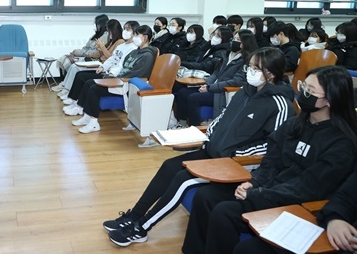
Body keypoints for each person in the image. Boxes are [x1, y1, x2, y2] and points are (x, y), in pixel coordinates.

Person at [103, 47, 296, 247]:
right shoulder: (245, 91)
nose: (250, 71)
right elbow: (223, 116)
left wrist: (235, 153)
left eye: (257, 68)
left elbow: (273, 147)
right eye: (251, 66)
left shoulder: (280, 104)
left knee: (183, 180)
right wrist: (209, 133)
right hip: (213, 152)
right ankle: (134, 215)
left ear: (271, 73)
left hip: (234, 163)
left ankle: (141, 227)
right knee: (169, 166)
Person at [182, 65, 357, 254]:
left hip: (295, 200)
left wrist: (258, 193)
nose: (303, 93)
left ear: (331, 99)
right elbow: (271, 161)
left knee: (225, 213)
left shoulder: (342, 143)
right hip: (269, 188)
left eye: (310, 91)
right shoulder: (294, 124)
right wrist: (255, 182)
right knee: (206, 196)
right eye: (303, 87)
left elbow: (307, 188)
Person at [232, 167, 357, 253]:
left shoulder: (341, 145)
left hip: (288, 197)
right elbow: (346, 197)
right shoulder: (293, 129)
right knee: (249, 249)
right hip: (344, 236)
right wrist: (335, 218)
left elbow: (307, 188)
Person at [65, 25, 158, 134]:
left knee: (94, 89)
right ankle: (87, 116)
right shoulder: (134, 52)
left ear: (146, 37)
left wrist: (116, 79)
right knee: (89, 83)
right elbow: (122, 66)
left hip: (127, 84)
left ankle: (94, 123)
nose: (135, 37)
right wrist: (111, 76)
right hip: (119, 79)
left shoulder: (147, 55)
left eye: (137, 35)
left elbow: (137, 74)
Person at [174, 30, 258, 126]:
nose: (234, 41)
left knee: (193, 98)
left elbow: (236, 81)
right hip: (212, 87)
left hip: (222, 92)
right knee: (182, 92)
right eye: (234, 38)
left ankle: (196, 127)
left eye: (238, 39)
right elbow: (216, 73)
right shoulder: (227, 55)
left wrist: (210, 88)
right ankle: (182, 123)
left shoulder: (247, 61)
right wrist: (207, 84)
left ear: (246, 43)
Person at [61, 21, 138, 105]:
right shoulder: (122, 46)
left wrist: (111, 73)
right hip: (107, 70)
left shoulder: (132, 48)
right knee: (80, 75)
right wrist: (103, 67)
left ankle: (79, 105)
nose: (125, 32)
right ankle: (73, 99)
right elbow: (112, 59)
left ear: (135, 32)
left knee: (87, 82)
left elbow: (121, 64)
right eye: (124, 29)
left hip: (114, 74)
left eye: (128, 29)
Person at [55, 19, 123, 98]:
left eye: (109, 31)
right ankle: (66, 87)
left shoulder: (120, 42)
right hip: (101, 63)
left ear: (114, 30)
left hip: (103, 66)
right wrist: (100, 49)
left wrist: (102, 47)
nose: (108, 33)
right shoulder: (111, 41)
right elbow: (103, 55)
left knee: (77, 70)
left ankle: (69, 90)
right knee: (74, 66)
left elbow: (111, 57)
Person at [54, 14, 109, 81]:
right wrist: (78, 51)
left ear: (101, 24)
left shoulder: (105, 36)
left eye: (96, 23)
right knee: (64, 58)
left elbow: (96, 52)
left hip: (92, 58)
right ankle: (64, 82)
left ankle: (70, 82)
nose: (94, 25)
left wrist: (80, 53)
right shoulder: (96, 35)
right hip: (85, 54)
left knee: (68, 61)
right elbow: (86, 47)